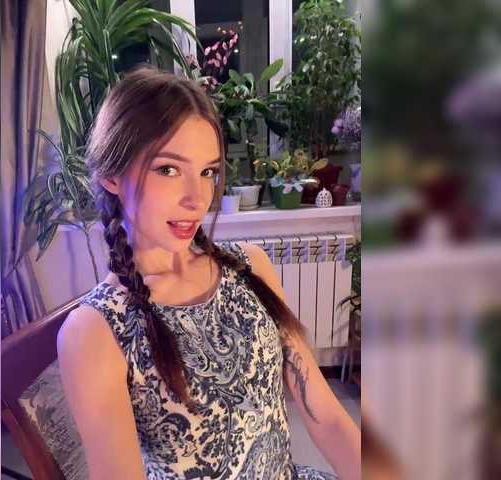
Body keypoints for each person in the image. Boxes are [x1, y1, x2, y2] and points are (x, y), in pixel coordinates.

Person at [57, 66, 360, 480]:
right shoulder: (95, 332)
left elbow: (324, 414)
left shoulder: (251, 267)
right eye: (168, 169)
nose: (197, 198)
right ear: (111, 175)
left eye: (207, 172)